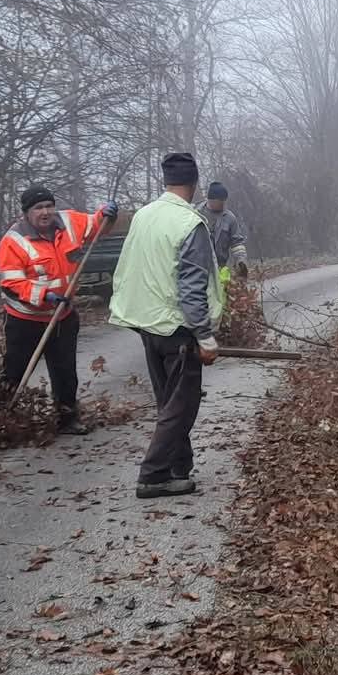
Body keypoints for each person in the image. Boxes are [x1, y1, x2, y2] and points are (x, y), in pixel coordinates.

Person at [109, 151, 223, 499]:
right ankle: (153, 476)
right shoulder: (190, 224)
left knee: (168, 402)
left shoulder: (144, 216)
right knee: (181, 405)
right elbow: (191, 287)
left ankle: (179, 468)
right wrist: (204, 335)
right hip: (177, 328)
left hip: (147, 324)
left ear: (167, 181)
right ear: (195, 184)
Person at [0, 185, 116, 434]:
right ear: (27, 213)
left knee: (65, 369)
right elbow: (11, 284)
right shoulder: (13, 241)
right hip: (26, 319)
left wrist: (106, 214)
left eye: (49, 206)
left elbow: (95, 225)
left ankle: (67, 418)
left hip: (63, 316)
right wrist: (44, 295)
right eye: (39, 208)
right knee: (15, 370)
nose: (46, 212)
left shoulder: (69, 222)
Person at [201, 181, 250, 295]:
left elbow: (237, 243)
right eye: (220, 202)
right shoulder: (196, 214)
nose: (223, 205)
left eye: (224, 201)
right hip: (200, 269)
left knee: (223, 299)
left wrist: (241, 260)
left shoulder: (229, 218)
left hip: (221, 268)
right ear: (211, 200)